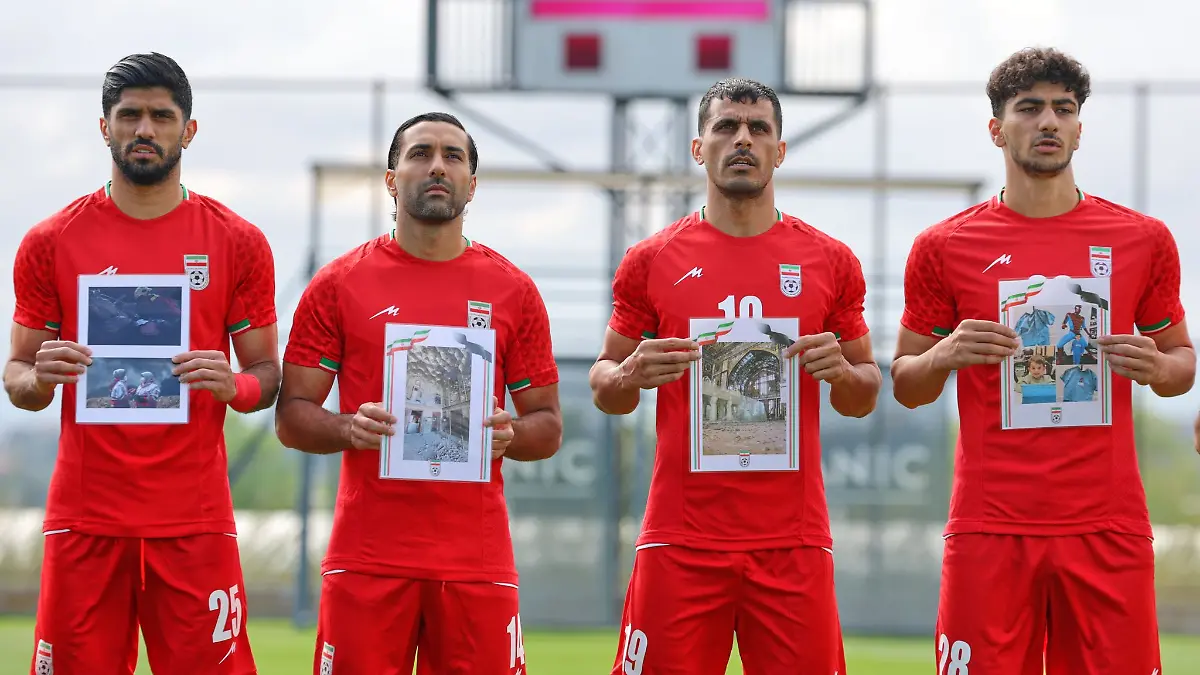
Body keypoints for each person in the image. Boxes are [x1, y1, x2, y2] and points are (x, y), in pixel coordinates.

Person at [892, 47, 1195, 675]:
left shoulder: (1142, 238)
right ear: (998, 129)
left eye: (1064, 108)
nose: (1049, 122)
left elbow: (1181, 367)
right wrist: (946, 354)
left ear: (1080, 127)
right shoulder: (943, 246)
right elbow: (906, 384)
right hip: (989, 527)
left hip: (1107, 525)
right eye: (1029, 108)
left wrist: (1157, 367)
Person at [589, 77, 881, 675]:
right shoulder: (652, 260)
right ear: (699, 148)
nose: (742, 140)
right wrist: (629, 375)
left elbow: (864, 394)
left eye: (758, 129)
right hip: (681, 539)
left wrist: (841, 375)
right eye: (725, 127)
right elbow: (605, 386)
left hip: (792, 543)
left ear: (780, 149)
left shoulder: (829, 261)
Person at [3, 52, 279, 674]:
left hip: (194, 520)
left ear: (189, 129)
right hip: (86, 519)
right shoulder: (51, 241)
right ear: (105, 127)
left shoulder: (237, 241)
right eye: (129, 116)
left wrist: (229, 382)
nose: (144, 130)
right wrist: (40, 375)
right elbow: (17, 376)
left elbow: (267, 379)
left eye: (161, 115)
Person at [274, 111, 563, 675]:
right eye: (420, 154)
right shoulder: (339, 283)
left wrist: (511, 434)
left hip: (476, 561)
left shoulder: (513, 291)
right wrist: (347, 428)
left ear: (472, 184)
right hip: (368, 559)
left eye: (453, 157)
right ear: (391, 177)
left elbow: (548, 426)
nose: (437, 166)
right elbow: (292, 415)